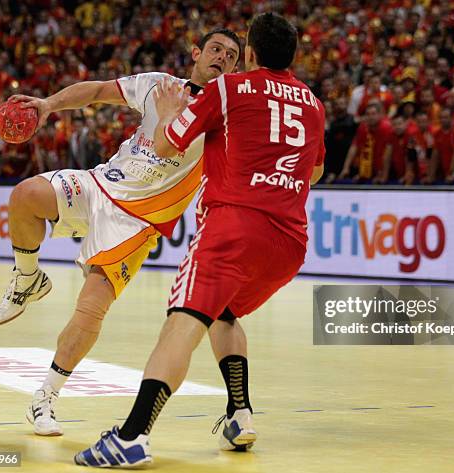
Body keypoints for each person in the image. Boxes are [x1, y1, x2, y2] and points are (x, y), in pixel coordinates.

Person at [74, 12, 325, 468]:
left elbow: (169, 144)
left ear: (249, 55)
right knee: (224, 314)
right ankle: (239, 413)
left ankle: (132, 437)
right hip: (289, 241)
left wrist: (170, 114)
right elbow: (316, 170)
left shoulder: (228, 89)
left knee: (182, 324)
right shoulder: (312, 103)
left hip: (233, 228)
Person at [0, 28, 241, 436]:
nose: (223, 58)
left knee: (90, 309)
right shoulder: (159, 84)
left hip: (137, 221)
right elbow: (98, 92)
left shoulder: (226, 115)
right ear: (196, 52)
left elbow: (174, 148)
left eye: (232, 56)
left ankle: (45, 397)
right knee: (25, 196)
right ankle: (27, 277)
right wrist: (49, 104)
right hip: (101, 183)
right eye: (216, 49)